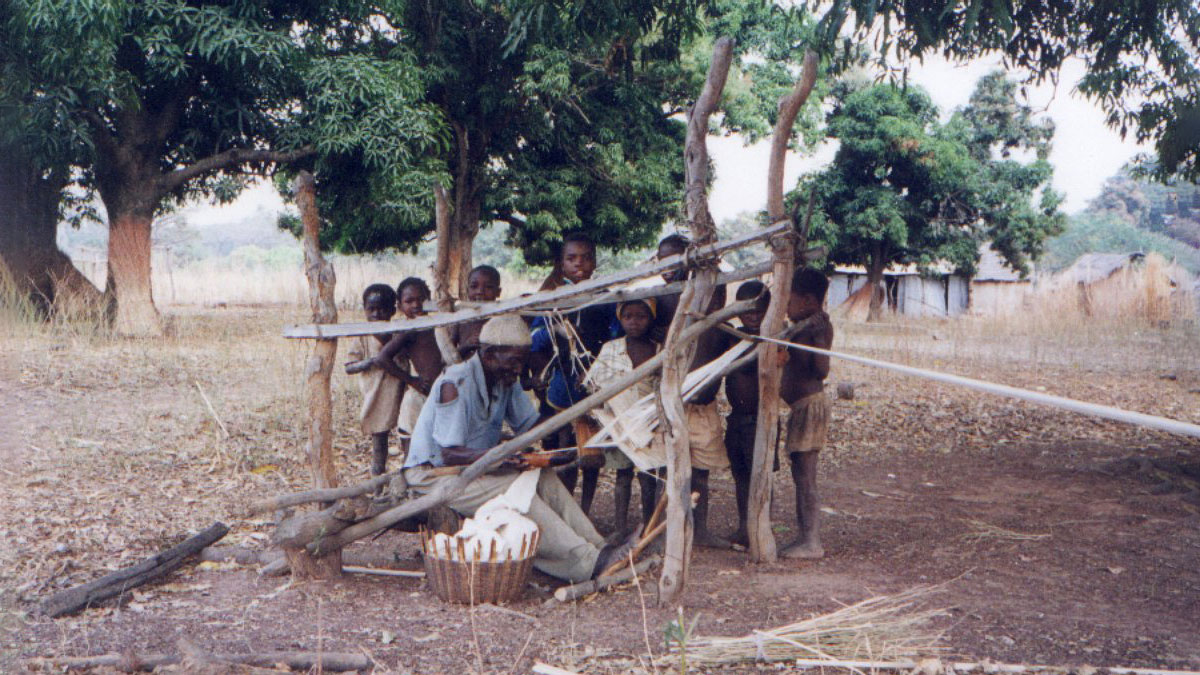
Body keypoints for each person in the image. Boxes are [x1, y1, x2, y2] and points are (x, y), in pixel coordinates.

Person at [403, 314, 637, 582]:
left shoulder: (504, 380)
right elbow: (449, 454)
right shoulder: (456, 384)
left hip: (474, 470)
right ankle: (587, 563)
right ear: (489, 355)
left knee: (543, 478)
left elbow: (530, 426)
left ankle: (600, 547)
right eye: (514, 361)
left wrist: (574, 420)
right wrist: (501, 459)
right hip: (435, 477)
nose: (519, 370)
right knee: (515, 490)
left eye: (522, 362)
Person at [648, 234, 734, 548]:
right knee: (668, 467)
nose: (666, 266)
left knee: (700, 472)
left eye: (674, 259)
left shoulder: (710, 287)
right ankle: (661, 530)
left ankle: (700, 529)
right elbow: (650, 329)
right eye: (662, 259)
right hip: (672, 399)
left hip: (704, 401)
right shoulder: (663, 296)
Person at [530, 233, 620, 514]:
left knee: (590, 449)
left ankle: (585, 509)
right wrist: (554, 330)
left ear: (594, 261)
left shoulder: (604, 297)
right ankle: (562, 507)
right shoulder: (552, 298)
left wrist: (597, 371)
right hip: (560, 383)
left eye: (585, 258)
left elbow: (617, 337)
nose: (579, 264)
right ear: (561, 263)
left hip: (594, 383)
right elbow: (533, 338)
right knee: (561, 446)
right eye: (571, 258)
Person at [584, 298, 661, 534]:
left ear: (651, 319)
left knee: (648, 474)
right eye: (628, 316)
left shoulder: (658, 350)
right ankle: (619, 528)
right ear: (620, 319)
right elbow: (594, 383)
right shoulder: (611, 348)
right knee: (622, 474)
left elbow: (662, 386)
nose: (634, 322)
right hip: (619, 420)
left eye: (641, 316)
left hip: (649, 421)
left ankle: (648, 525)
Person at [779, 268, 834, 559]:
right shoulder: (799, 325)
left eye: (788, 298)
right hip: (800, 408)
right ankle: (804, 536)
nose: (784, 304)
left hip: (811, 406)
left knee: (806, 476)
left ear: (808, 300)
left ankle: (812, 541)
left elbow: (822, 370)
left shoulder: (819, 327)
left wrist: (816, 340)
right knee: (800, 473)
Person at [371, 277, 445, 455]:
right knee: (411, 452)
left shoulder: (438, 324)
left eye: (421, 299)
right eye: (409, 301)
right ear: (400, 305)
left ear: (429, 298)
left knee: (437, 446)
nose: (416, 305)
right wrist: (412, 380)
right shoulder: (409, 329)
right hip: (418, 397)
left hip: (440, 394)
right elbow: (383, 357)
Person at [722, 280, 770, 546]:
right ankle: (745, 526)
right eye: (746, 309)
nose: (753, 315)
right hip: (737, 420)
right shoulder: (734, 336)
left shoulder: (773, 336)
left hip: (760, 421)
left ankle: (760, 528)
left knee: (759, 477)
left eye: (759, 309)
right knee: (740, 476)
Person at [345, 283, 405, 476]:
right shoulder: (362, 335)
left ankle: (409, 474)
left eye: (382, 309)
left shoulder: (399, 332)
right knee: (380, 441)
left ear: (393, 310)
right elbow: (349, 366)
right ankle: (377, 482)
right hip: (376, 395)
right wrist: (371, 362)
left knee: (407, 433)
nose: (377, 314)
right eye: (371, 309)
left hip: (401, 389)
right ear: (364, 310)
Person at [450, 265, 503, 361]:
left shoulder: (503, 318)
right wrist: (467, 345)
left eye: (488, 287)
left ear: (498, 292)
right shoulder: (460, 318)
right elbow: (446, 357)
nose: (480, 291)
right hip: (466, 373)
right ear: (467, 290)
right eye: (474, 286)